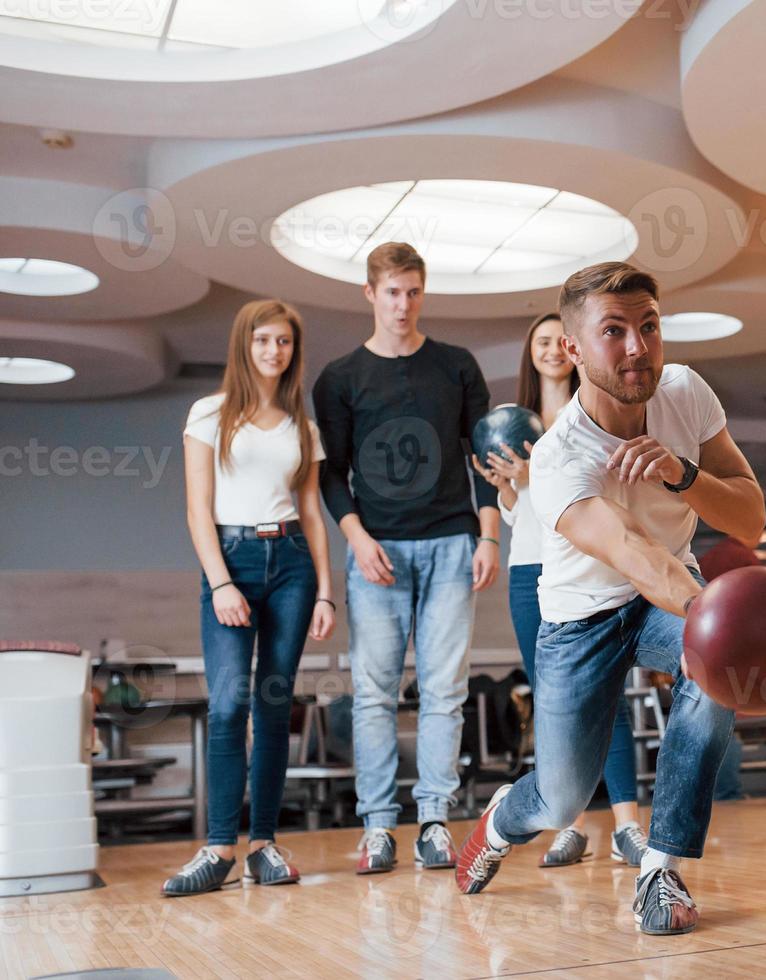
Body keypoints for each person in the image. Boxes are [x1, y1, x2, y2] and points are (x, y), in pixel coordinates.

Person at [455, 261, 766, 938]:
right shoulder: (562, 455)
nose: (637, 348)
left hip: (666, 594)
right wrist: (718, 621)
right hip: (580, 621)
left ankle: (661, 869)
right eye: (614, 331)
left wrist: (682, 473)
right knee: (561, 798)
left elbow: (749, 519)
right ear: (572, 348)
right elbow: (634, 556)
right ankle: (504, 818)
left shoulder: (684, 391)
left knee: (714, 676)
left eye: (649, 327)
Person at [312, 242, 501, 875]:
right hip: (378, 553)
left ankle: (436, 823)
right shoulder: (339, 379)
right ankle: (376, 828)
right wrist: (357, 539)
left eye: (414, 291)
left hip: (452, 543)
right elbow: (330, 475)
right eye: (392, 292)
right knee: (374, 695)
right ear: (369, 294)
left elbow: (486, 459)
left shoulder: (455, 366)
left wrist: (489, 535)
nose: (403, 304)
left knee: (445, 691)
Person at [165, 299, 335, 896]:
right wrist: (220, 582)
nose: (273, 351)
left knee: (273, 705)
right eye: (263, 340)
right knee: (230, 703)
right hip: (231, 559)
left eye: (284, 342)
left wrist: (327, 594)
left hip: (291, 564)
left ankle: (263, 843)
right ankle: (217, 849)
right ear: (245, 344)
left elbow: (312, 513)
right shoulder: (209, 413)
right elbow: (195, 508)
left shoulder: (302, 426)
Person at [472, 312, 648, 869]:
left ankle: (628, 826)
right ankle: (567, 827)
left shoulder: (595, 415)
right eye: (540, 342)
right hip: (531, 566)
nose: (550, 350)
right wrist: (508, 488)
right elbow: (515, 509)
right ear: (531, 352)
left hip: (589, 565)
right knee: (555, 701)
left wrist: (537, 478)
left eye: (558, 341)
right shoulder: (512, 424)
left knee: (608, 694)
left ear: (575, 349)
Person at [696, 532, 766, 801]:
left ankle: (710, 791)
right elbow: (760, 603)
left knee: (708, 722)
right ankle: (726, 791)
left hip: (702, 646)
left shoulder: (711, 557)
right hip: (730, 648)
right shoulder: (744, 558)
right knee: (726, 721)